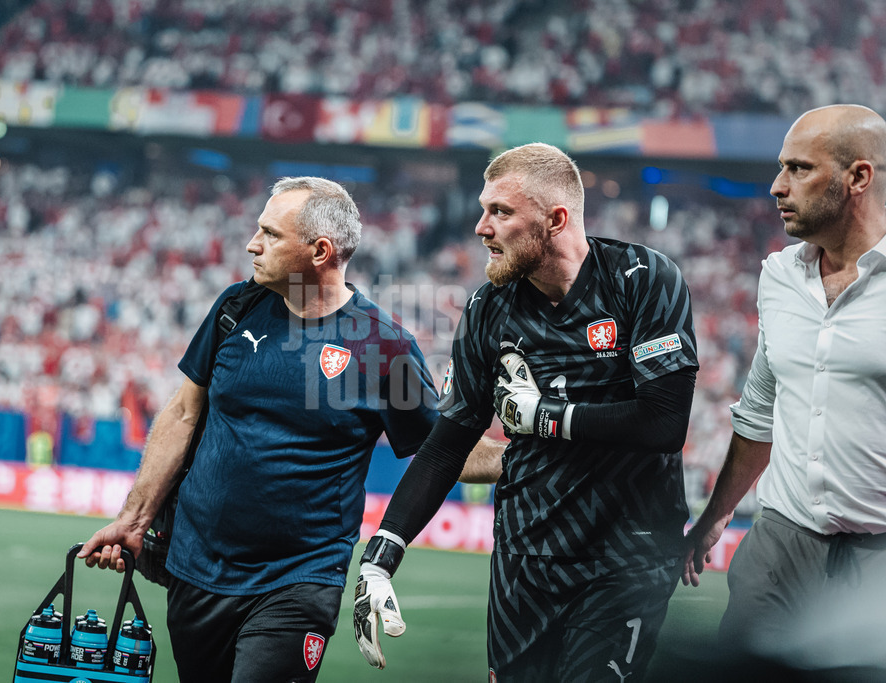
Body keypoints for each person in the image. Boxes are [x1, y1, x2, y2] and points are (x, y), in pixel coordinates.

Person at [78, 176, 502, 682]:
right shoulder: (237, 309)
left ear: (320, 251)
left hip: (297, 582)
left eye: (271, 234)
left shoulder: (383, 346)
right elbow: (182, 413)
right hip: (193, 572)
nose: (253, 244)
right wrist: (133, 518)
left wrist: (526, 455)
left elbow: (441, 447)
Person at [353, 143, 699, 682]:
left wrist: (547, 416)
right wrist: (382, 552)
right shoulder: (488, 308)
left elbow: (664, 423)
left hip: (627, 557)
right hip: (525, 561)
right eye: (483, 209)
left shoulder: (642, 279)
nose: (480, 227)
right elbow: (448, 443)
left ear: (555, 219)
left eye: (501, 212)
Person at [683, 104, 886, 672]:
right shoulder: (778, 277)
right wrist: (716, 517)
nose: (777, 186)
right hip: (780, 539)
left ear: (858, 178)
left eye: (799, 169)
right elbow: (761, 410)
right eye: (781, 168)